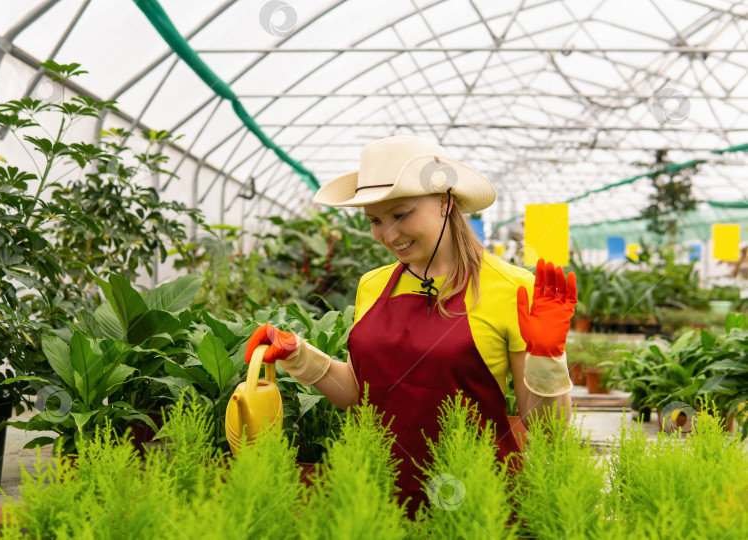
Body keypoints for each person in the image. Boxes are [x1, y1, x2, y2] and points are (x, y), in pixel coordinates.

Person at [244, 135, 576, 514]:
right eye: (374, 220)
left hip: (476, 503)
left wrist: (548, 358)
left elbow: (549, 432)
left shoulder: (513, 288)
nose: (388, 235)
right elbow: (359, 394)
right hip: (380, 494)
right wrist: (299, 355)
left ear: (445, 202)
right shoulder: (373, 285)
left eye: (401, 215)